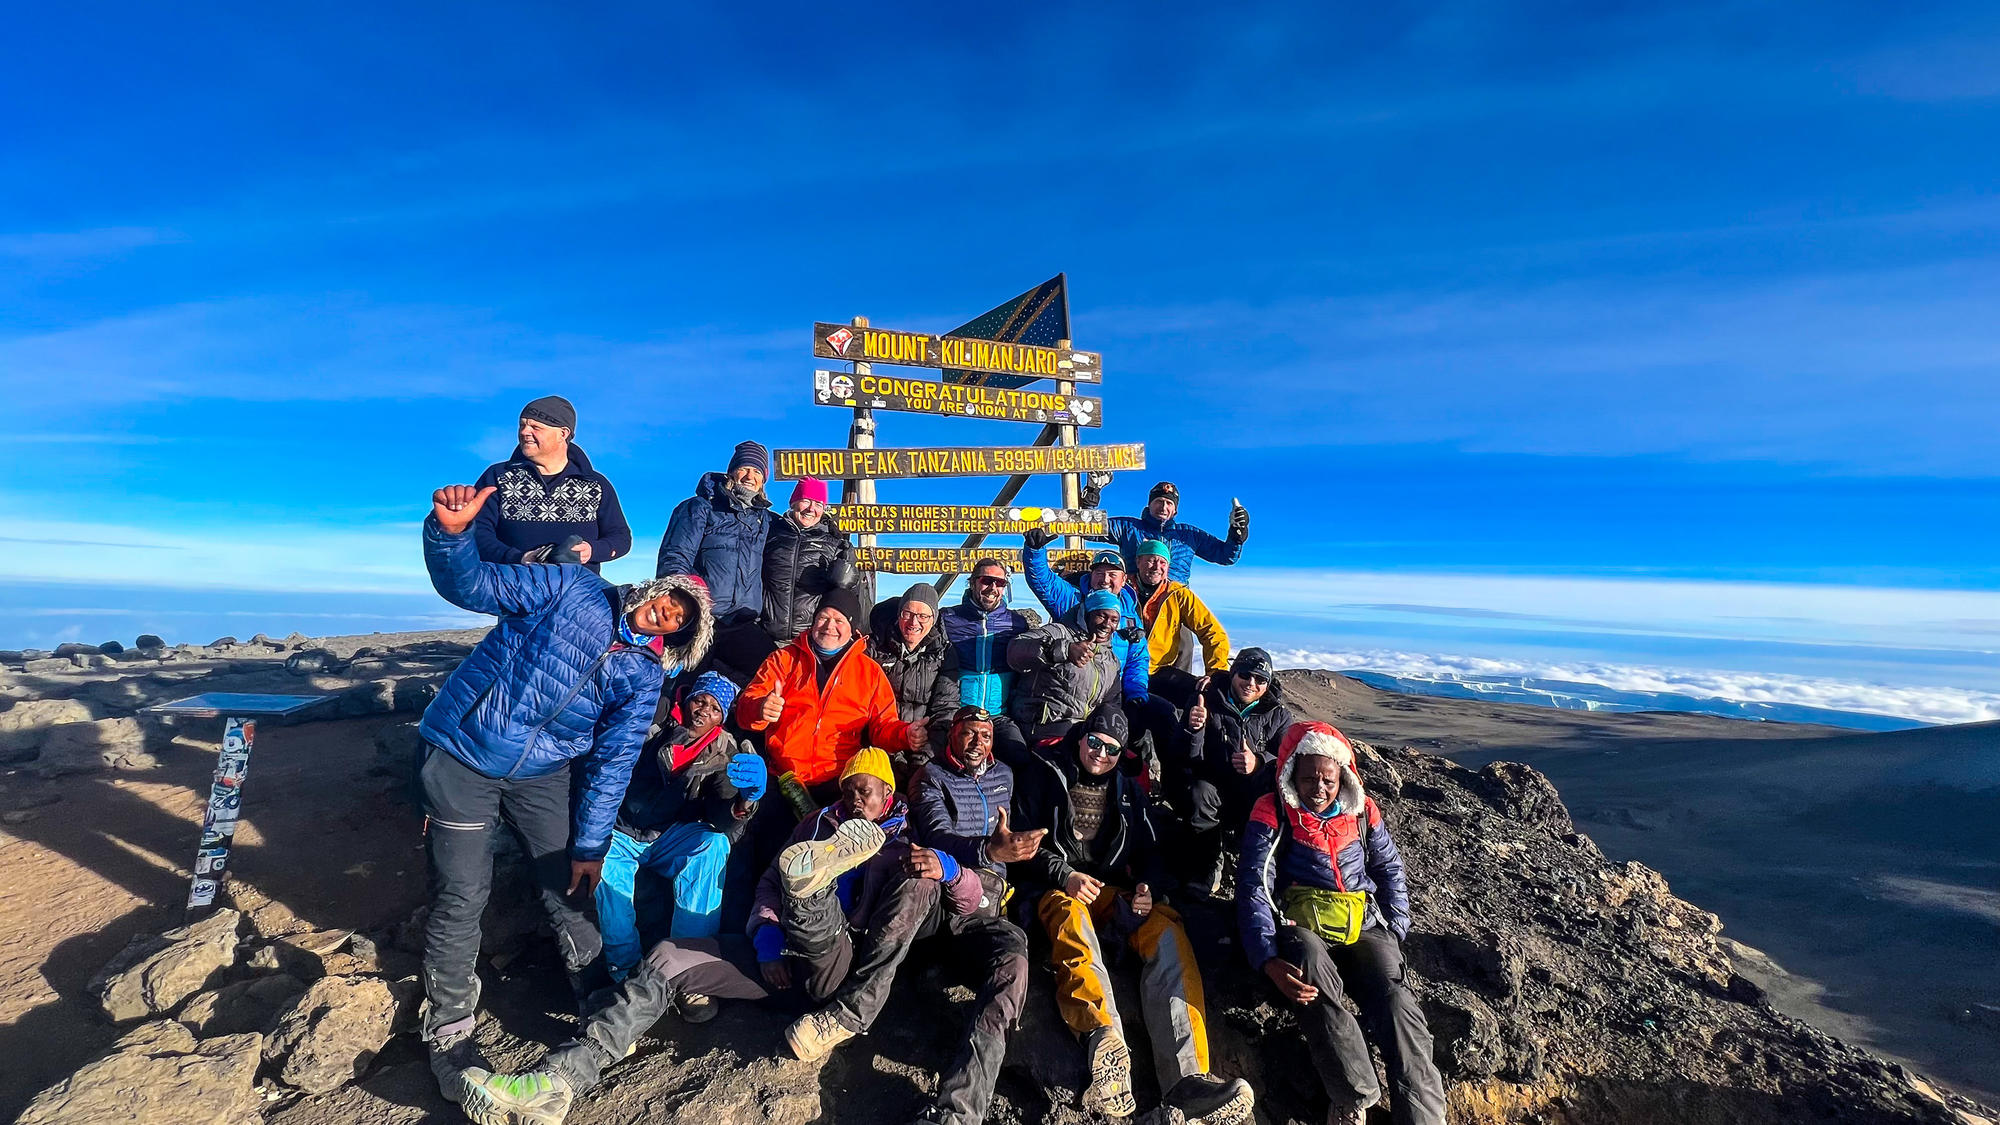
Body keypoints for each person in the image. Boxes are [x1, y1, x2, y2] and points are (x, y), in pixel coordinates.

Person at [414, 484, 711, 1107]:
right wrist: (450, 536)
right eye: (670, 601)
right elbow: (473, 587)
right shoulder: (572, 588)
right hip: (464, 753)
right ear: (655, 591)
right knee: (462, 894)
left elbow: (613, 764)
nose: (668, 614)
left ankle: (599, 1000)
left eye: (682, 621)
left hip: (541, 774)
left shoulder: (640, 675)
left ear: (680, 639)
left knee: (572, 887)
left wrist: (591, 844)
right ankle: (450, 1033)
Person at [1010, 704, 1255, 1124]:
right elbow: (1021, 845)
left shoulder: (1128, 789)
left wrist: (1148, 888)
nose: (1100, 754)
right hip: (1052, 890)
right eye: (1095, 742)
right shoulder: (1043, 773)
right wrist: (1064, 874)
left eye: (1111, 749)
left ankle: (1188, 1079)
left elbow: (1150, 851)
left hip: (1106, 889)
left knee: (1165, 928)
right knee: (1072, 917)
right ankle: (1104, 1042)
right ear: (1082, 736)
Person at [1238, 722, 1446, 1125]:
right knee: (1312, 972)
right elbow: (1254, 885)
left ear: (1342, 777)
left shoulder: (1362, 812)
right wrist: (1267, 958)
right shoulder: (1273, 811)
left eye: (1328, 779)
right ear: (1291, 776)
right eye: (1309, 778)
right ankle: (1354, 1096)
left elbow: (1389, 868)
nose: (1319, 787)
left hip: (1363, 924)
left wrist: (1396, 927)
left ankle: (1423, 1117)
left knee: (1397, 1001)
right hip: (1302, 923)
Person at [753, 749, 983, 1059]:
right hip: (820, 943)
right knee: (677, 962)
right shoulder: (817, 823)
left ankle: (847, 1015)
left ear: (888, 792)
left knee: (920, 881)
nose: (855, 799)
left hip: (875, 944)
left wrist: (950, 868)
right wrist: (767, 934)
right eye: (848, 791)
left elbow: (969, 900)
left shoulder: (914, 829)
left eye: (864, 791)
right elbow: (771, 880)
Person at [457, 936, 769, 1125]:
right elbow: (769, 882)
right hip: (776, 948)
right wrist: (767, 931)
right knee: (667, 957)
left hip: (814, 974)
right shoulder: (808, 827)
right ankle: (557, 1084)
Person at [900, 707, 1038, 1125]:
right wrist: (988, 852)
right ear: (952, 737)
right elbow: (937, 833)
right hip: (940, 900)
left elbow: (1011, 839)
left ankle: (958, 1113)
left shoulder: (1005, 777)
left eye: (986, 734)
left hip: (986, 908)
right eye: (969, 734)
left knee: (1015, 959)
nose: (978, 742)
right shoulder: (931, 778)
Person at [595, 671, 765, 984]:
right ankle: (624, 970)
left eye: (715, 709)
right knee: (608, 879)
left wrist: (745, 800)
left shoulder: (725, 750)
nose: (704, 710)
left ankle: (688, 966)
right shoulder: (654, 719)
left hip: (669, 836)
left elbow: (721, 815)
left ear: (721, 718)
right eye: (700, 700)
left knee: (713, 844)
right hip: (619, 830)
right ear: (687, 700)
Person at [738, 587, 926, 797]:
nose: (829, 626)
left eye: (839, 621)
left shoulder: (870, 672)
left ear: (852, 628)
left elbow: (882, 727)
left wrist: (905, 734)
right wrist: (760, 708)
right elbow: (745, 708)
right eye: (823, 617)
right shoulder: (783, 659)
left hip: (840, 783)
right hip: (781, 776)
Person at [657, 440, 777, 681]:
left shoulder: (766, 521)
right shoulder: (700, 508)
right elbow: (675, 558)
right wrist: (684, 608)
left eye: (757, 471)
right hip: (701, 621)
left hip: (743, 623)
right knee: (682, 693)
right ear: (731, 471)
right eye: (744, 468)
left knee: (771, 679)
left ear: (763, 480)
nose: (749, 476)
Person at [471, 396, 633, 573]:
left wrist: (591, 551)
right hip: (511, 587)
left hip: (577, 592)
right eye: (522, 425)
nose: (524, 432)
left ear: (563, 433)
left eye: (535, 427)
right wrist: (519, 558)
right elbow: (476, 532)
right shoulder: (497, 476)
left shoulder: (596, 484)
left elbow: (621, 538)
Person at [1178, 647, 1292, 895]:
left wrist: (1259, 762)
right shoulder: (1205, 700)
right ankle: (1207, 863)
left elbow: (1287, 761)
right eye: (1245, 675)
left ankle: (1261, 869)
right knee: (1200, 792)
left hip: (1254, 791)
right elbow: (1186, 757)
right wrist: (1194, 729)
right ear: (1233, 673)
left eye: (1261, 680)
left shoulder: (1278, 714)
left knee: (1278, 801)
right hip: (1214, 784)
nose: (1251, 684)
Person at [938, 557, 1033, 765]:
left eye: (1000, 583)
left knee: (1021, 759)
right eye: (986, 581)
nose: (993, 588)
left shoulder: (1016, 623)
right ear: (972, 582)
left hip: (999, 715)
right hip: (958, 712)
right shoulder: (947, 618)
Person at [1006, 589, 1129, 746]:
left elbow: (1112, 703)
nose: (1107, 625)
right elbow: (1015, 650)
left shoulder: (1110, 660)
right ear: (1087, 614)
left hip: (1082, 733)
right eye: (1101, 616)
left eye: (1114, 620)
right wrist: (1064, 650)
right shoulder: (1059, 632)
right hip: (1043, 726)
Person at [865, 582, 960, 774]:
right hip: (880, 740)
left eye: (923, 616)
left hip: (925, 741)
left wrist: (924, 756)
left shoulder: (944, 653)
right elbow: (862, 704)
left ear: (933, 619)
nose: (914, 623)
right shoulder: (874, 648)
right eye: (907, 613)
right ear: (899, 614)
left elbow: (945, 709)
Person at [1084, 479, 1247, 586]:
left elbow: (1225, 556)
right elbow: (1088, 529)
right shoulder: (1129, 527)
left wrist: (1237, 533)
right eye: (1159, 501)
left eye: (1169, 503)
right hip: (1134, 600)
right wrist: (1091, 497)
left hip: (1175, 601)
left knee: (1183, 639)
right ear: (1149, 505)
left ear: (1175, 510)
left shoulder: (1189, 535)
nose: (1163, 507)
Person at [1129, 537, 1231, 705]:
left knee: (1207, 696)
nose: (1157, 567)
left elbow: (1212, 631)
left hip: (1159, 670)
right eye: (1151, 560)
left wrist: (1216, 674)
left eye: (1163, 562)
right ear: (1138, 561)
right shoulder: (1122, 589)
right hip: (1124, 669)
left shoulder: (1178, 594)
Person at [761, 476, 857, 644]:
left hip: (810, 639)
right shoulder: (771, 534)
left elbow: (850, 597)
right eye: (806, 500)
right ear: (793, 502)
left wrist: (845, 582)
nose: (811, 509)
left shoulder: (835, 544)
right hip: (766, 636)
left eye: (818, 504)